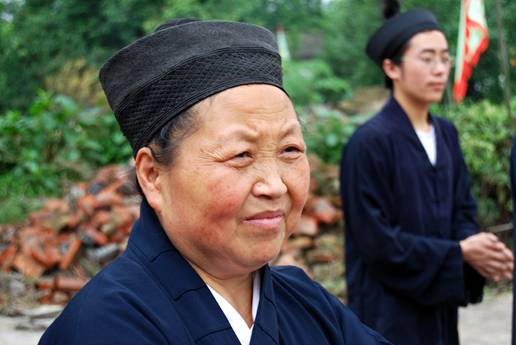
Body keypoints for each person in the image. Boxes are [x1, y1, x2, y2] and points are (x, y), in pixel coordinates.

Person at [39, 19, 391, 345]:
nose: (275, 186)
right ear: (152, 175)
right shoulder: (103, 326)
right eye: (241, 155)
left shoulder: (306, 302)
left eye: (289, 149)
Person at [339, 3, 513, 345]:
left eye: (445, 58)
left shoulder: (446, 133)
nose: (440, 69)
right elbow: (376, 241)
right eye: (427, 58)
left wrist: (477, 248)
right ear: (391, 67)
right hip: (388, 313)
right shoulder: (368, 143)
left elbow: (463, 207)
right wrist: (458, 252)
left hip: (440, 307)